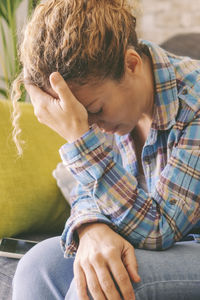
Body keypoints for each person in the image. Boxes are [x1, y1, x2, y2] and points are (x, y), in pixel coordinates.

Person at [11, 0, 200, 299]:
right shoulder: (115, 104)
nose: (94, 127)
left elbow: (160, 227)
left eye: (96, 110)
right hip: (169, 242)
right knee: (39, 266)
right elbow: (92, 190)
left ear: (131, 64)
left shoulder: (195, 102)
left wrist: (79, 138)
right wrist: (92, 227)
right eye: (85, 121)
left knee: (107, 280)